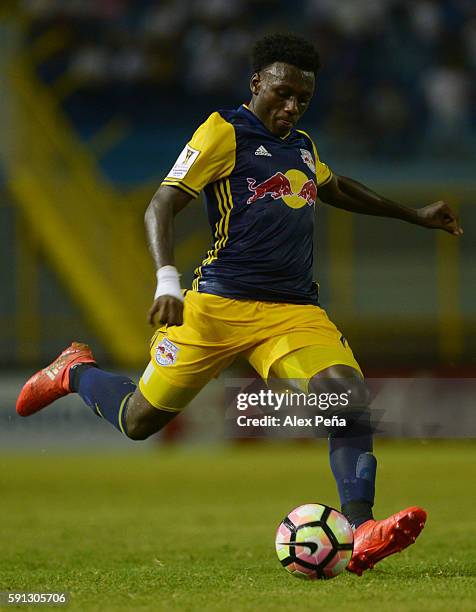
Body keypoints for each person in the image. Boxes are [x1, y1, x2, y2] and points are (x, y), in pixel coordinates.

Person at [16, 33, 462, 575]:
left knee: (346, 400)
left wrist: (412, 214)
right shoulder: (223, 131)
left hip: (292, 312)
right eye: (282, 92)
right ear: (256, 84)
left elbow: (337, 187)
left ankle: (362, 528)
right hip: (215, 307)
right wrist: (166, 282)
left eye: (303, 98)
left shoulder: (302, 145)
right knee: (139, 421)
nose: (291, 106)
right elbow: (161, 203)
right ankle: (75, 373)